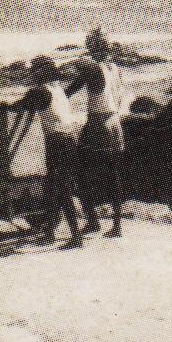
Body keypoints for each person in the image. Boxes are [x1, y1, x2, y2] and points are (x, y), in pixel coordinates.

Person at [13, 56, 84, 248]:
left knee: (61, 190)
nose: (32, 74)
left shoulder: (41, 91)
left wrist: (4, 107)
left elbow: (20, 105)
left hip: (58, 143)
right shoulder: (57, 89)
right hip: (69, 140)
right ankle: (50, 233)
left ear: (42, 73)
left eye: (35, 70)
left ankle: (76, 237)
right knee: (52, 188)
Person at [65, 28, 128, 239]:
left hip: (97, 125)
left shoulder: (93, 69)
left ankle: (92, 220)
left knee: (77, 169)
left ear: (93, 47)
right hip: (115, 124)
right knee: (113, 175)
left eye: (90, 46)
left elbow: (69, 91)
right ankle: (117, 225)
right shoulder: (116, 68)